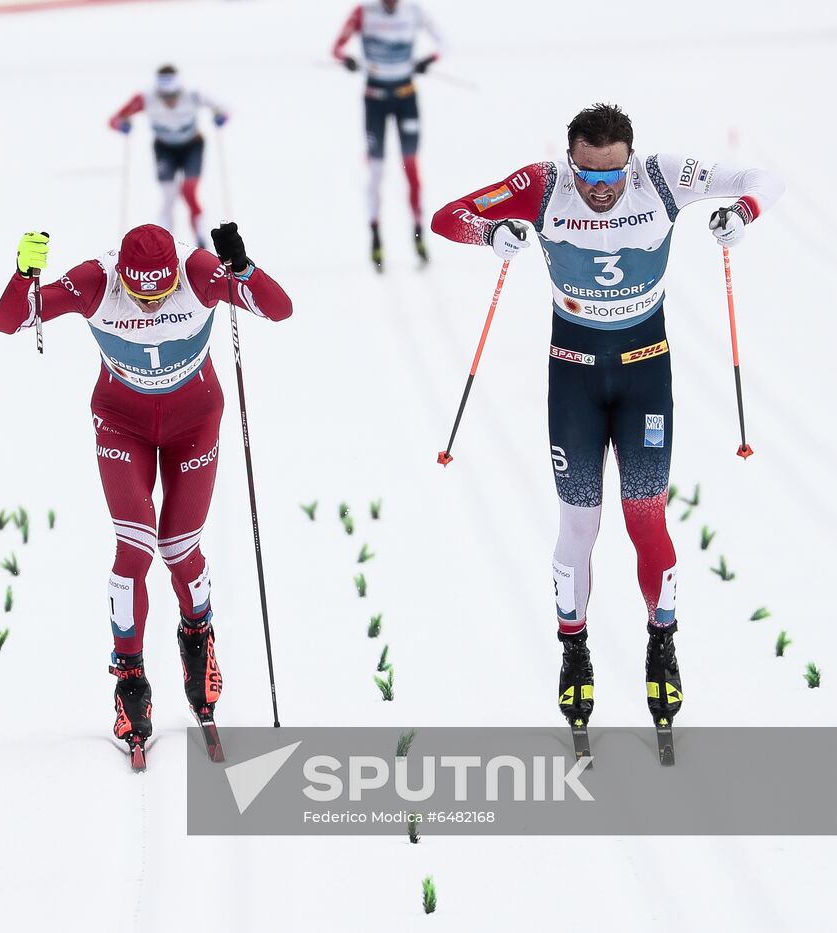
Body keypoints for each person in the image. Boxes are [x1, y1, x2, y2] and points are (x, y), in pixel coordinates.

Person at [430, 104, 783, 737]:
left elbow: (763, 179)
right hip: (574, 372)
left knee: (646, 515)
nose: (600, 187)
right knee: (579, 524)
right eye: (587, 173)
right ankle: (573, 649)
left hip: (646, 369)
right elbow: (447, 217)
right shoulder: (540, 184)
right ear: (571, 160)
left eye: (612, 174)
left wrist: (742, 215)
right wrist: (491, 235)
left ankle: (663, 643)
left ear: (631, 159)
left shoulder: (665, 177)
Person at [0, 223, 291, 761]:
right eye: (138, 295)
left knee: (179, 549)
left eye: (159, 294)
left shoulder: (198, 270)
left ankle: (198, 644)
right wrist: (24, 274)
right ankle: (130, 679)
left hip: (193, 421)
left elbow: (279, 309)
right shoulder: (95, 280)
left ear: (174, 274)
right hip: (121, 422)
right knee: (133, 551)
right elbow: (7, 321)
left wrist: (242, 267)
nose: (150, 307)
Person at [332, 0, 444, 270]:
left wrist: (426, 61)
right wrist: (347, 60)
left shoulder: (414, 11)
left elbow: (446, 44)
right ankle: (376, 238)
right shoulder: (363, 13)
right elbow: (336, 48)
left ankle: (418, 235)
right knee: (377, 171)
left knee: (411, 168)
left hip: (406, 99)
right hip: (375, 100)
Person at [109, 65, 229, 248]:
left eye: (174, 96)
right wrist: (122, 126)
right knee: (169, 195)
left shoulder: (194, 94)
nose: (170, 102)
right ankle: (164, 242)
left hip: (192, 146)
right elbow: (114, 120)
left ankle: (200, 238)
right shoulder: (145, 98)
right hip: (164, 149)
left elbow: (225, 109)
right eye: (164, 97)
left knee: (189, 191)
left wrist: (220, 117)